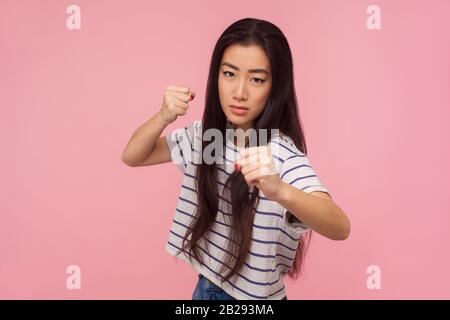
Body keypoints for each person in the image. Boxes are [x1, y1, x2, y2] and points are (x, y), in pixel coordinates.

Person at [121, 17, 350, 300]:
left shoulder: (280, 153)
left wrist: (279, 190)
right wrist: (164, 116)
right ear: (216, 75)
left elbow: (340, 227)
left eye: (256, 79)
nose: (239, 93)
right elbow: (133, 156)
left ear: (275, 86)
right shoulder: (207, 138)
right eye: (229, 74)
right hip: (205, 287)